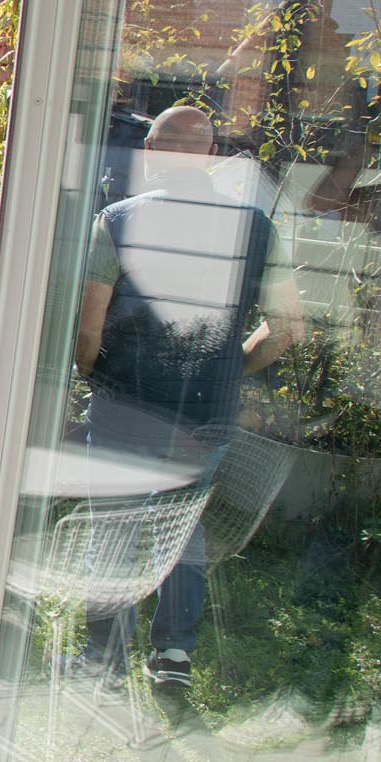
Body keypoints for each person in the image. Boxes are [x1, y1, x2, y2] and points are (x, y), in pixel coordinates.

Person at [70, 105, 302, 689]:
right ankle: (173, 656)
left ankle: (105, 658)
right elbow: (288, 326)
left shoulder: (117, 220)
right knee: (183, 524)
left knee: (113, 524)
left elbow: (90, 326)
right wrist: (235, 367)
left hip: (127, 402)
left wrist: (91, 370)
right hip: (206, 411)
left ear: (150, 153)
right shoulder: (258, 229)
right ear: (211, 156)